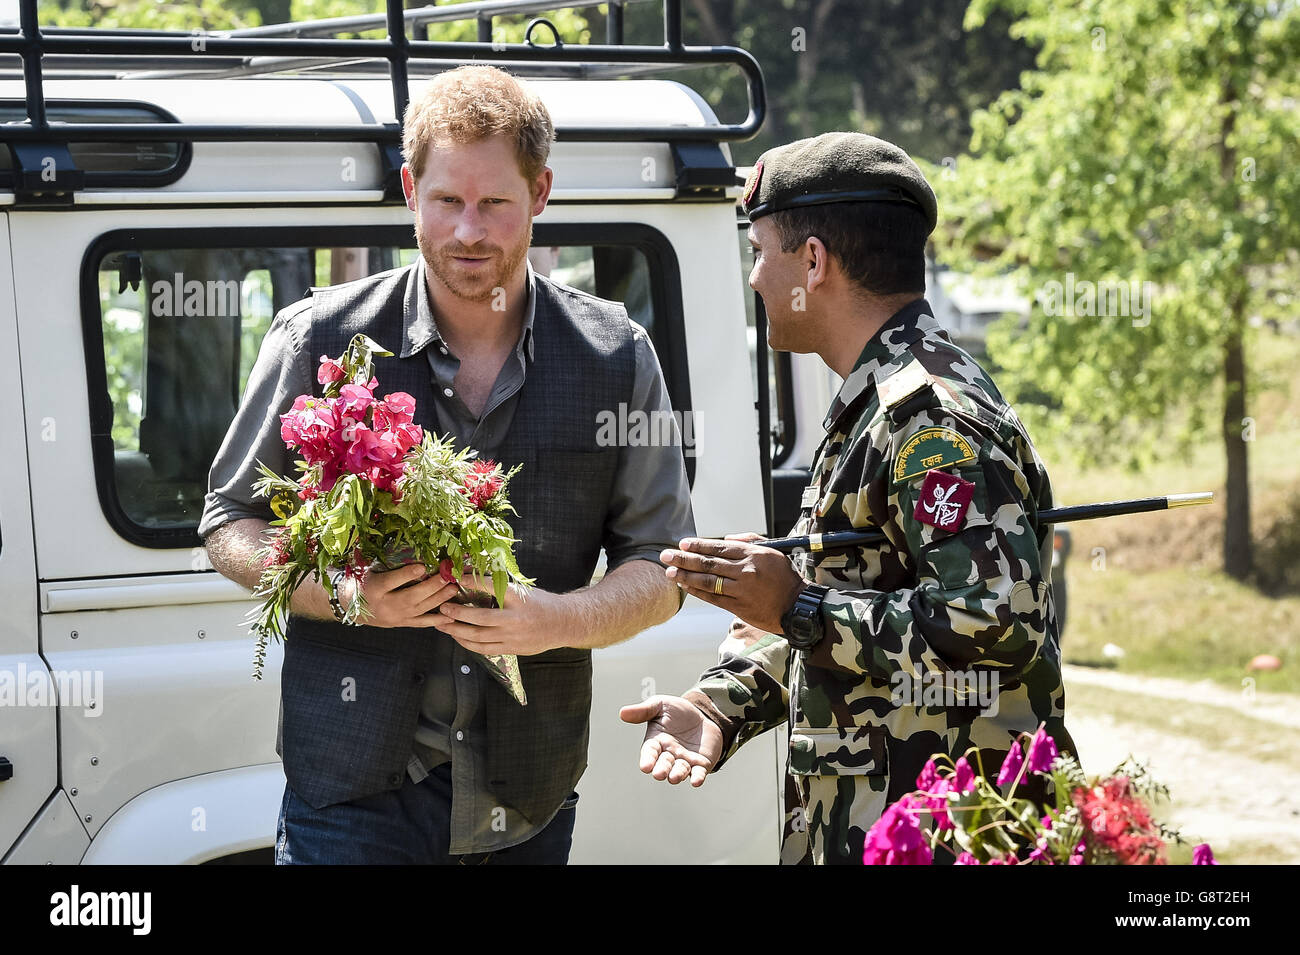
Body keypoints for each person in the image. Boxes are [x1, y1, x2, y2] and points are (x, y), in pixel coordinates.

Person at [201, 65, 693, 864]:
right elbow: (229, 523)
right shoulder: (314, 339)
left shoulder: (616, 355)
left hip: (524, 801)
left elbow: (662, 567)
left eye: (495, 202)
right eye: (447, 201)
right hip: (350, 800)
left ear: (540, 193)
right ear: (409, 189)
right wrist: (349, 595)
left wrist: (553, 621)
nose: (469, 231)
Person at [620, 131, 1076, 865]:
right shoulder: (875, 399)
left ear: (812, 261)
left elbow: (993, 623)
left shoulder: (930, 414)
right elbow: (849, 607)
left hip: (947, 830)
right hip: (880, 822)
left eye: (760, 250)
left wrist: (794, 604)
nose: (755, 277)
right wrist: (717, 705)